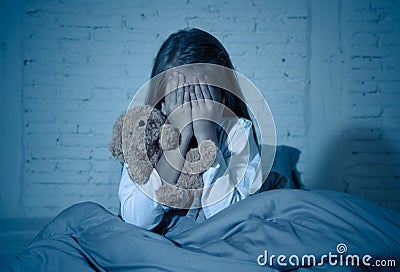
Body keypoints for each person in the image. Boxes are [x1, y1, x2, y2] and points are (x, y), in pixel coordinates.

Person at [118, 28, 261, 233]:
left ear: (222, 98)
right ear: (162, 103)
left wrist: (207, 139)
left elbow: (231, 220)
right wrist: (178, 137)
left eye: (202, 95)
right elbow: (136, 221)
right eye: (180, 96)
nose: (191, 106)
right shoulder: (143, 133)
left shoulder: (238, 130)